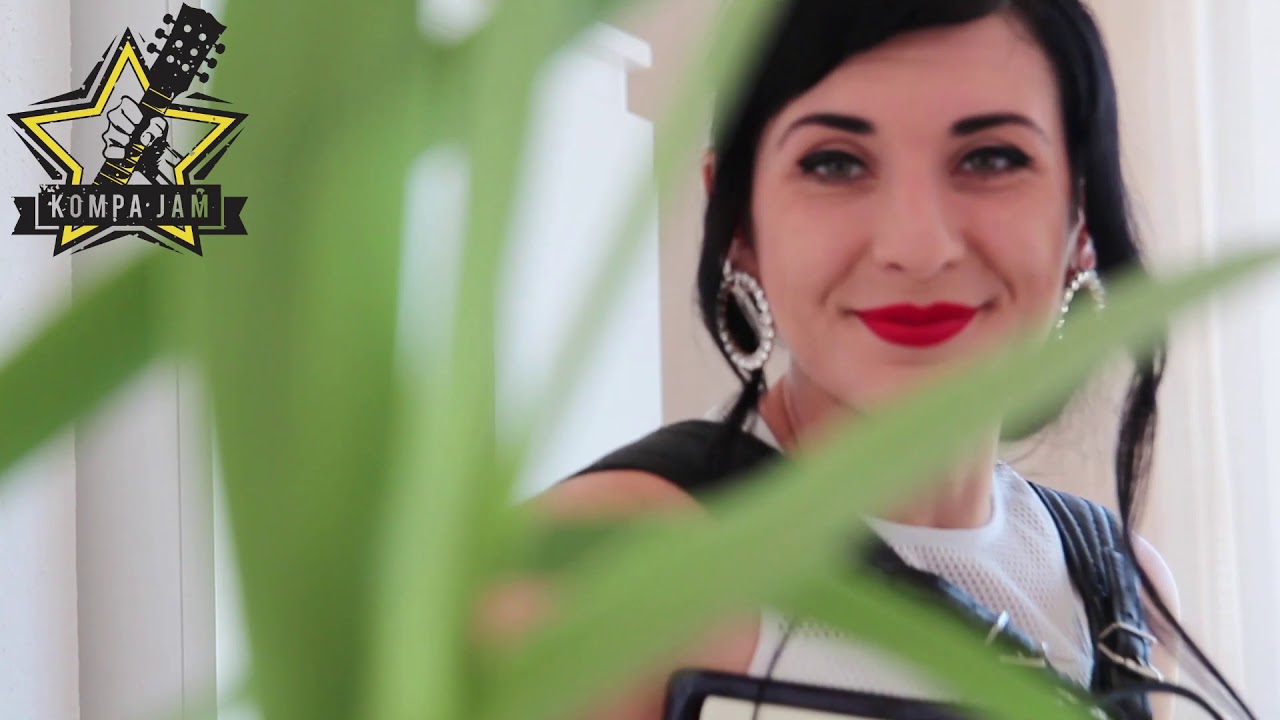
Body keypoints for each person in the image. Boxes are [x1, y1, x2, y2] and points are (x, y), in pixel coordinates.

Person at [492, 2, 1256, 719]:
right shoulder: (600, 571)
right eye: (835, 163)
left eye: (991, 158)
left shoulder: (1128, 593)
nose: (918, 248)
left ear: (1080, 219)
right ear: (739, 222)